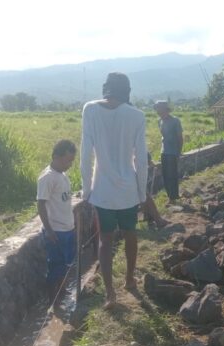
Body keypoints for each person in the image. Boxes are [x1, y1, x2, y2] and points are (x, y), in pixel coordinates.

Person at [80, 72, 148, 308]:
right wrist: (142, 193)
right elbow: (141, 160)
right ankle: (129, 280)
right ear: (126, 91)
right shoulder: (137, 116)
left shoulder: (90, 110)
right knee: (130, 234)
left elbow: (85, 153)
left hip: (102, 191)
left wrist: (86, 189)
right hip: (128, 190)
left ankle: (110, 294)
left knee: (105, 241)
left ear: (106, 89)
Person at [37, 139, 77, 309]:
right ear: (55, 157)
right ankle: (53, 302)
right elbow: (41, 204)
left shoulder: (62, 175)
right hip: (56, 231)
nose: (69, 164)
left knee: (65, 265)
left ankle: (62, 293)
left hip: (67, 228)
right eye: (66, 160)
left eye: (71, 161)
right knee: (55, 267)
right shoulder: (47, 178)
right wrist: (49, 230)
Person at [154, 100, 183, 204]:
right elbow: (163, 136)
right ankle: (169, 196)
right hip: (164, 151)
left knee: (172, 175)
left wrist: (178, 152)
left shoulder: (175, 121)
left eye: (160, 109)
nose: (159, 112)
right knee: (165, 175)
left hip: (173, 151)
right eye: (157, 110)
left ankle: (174, 197)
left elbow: (180, 138)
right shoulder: (159, 121)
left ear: (166, 110)